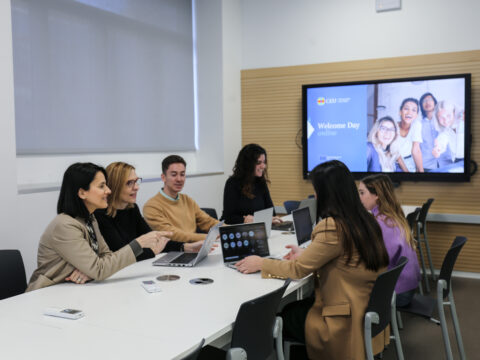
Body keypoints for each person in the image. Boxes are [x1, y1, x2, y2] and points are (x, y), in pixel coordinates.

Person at [235, 160, 390, 360]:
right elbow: (343, 256)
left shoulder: (333, 226)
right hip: (362, 306)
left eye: (317, 190)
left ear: (327, 193)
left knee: (278, 317)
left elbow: (297, 270)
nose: (315, 195)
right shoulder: (365, 219)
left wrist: (260, 263)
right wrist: (307, 254)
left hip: (341, 318)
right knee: (292, 309)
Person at [27, 163, 168, 291]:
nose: (108, 191)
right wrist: (139, 244)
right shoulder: (65, 226)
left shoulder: (90, 219)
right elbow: (99, 269)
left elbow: (106, 256)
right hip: (47, 293)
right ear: (82, 193)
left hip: (73, 290)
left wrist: (92, 271)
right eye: (101, 186)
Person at [95, 162, 205, 261]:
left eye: (136, 181)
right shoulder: (100, 215)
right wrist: (153, 251)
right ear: (115, 186)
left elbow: (154, 240)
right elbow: (122, 253)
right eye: (129, 183)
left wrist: (185, 247)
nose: (136, 187)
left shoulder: (132, 208)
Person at [358, 174, 421, 306]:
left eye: (362, 193)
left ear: (377, 195)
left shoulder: (382, 223)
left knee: (342, 288)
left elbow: (377, 263)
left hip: (398, 293)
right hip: (407, 287)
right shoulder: (390, 216)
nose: (359, 197)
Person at [143, 155, 219, 242]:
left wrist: (231, 230)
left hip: (197, 247)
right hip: (175, 252)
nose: (179, 179)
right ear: (163, 177)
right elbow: (173, 235)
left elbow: (208, 222)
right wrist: (209, 237)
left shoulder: (187, 200)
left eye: (182, 174)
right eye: (174, 174)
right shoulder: (151, 207)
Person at [221, 143, 282, 224]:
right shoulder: (232, 183)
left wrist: (271, 219)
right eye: (258, 163)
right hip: (238, 230)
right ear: (247, 164)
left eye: (264, 162)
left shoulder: (261, 182)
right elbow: (228, 218)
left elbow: (271, 212)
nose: (263, 166)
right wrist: (245, 220)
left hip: (258, 229)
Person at [411, 92, 453, 172]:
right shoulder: (418, 124)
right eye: (424, 101)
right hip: (427, 166)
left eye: (430, 99)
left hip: (447, 163)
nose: (427, 102)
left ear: (435, 102)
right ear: (421, 106)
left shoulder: (444, 119)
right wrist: (419, 168)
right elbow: (416, 148)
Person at [396, 98, 420, 172]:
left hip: (409, 161)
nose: (409, 112)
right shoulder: (393, 125)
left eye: (414, 110)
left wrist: (421, 172)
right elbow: (395, 153)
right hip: (394, 161)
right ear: (400, 112)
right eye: (406, 108)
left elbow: (416, 150)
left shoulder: (416, 125)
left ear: (416, 115)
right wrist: (406, 172)